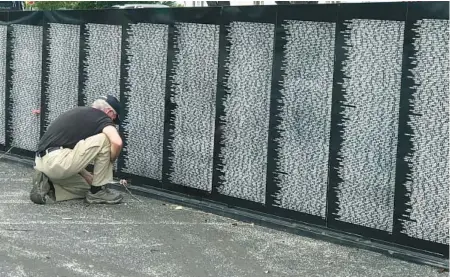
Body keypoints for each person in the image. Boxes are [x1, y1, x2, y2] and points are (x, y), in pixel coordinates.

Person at [30, 95, 124, 205]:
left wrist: (86, 175)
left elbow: (68, 150)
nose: (112, 122)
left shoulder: (78, 114)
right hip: (57, 161)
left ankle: (48, 185)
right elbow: (117, 142)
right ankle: (97, 192)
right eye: (114, 118)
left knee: (87, 187)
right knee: (106, 139)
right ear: (109, 112)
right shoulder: (102, 118)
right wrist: (110, 160)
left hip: (42, 163)